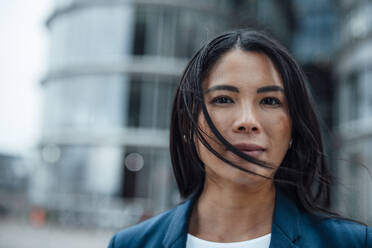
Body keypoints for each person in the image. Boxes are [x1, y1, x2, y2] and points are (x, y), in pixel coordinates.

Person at [108, 30, 371, 248]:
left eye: (270, 101)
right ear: (188, 123)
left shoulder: (353, 243)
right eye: (223, 99)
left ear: (293, 128)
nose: (248, 121)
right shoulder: (130, 244)